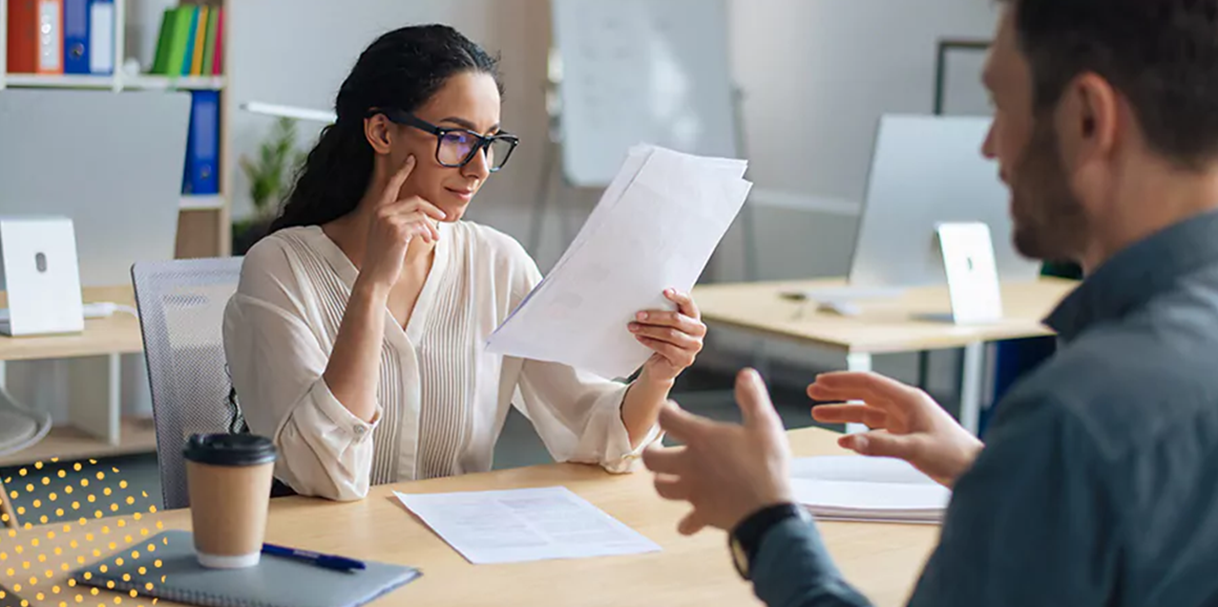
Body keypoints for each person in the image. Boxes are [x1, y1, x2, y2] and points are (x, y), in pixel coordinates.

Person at [643, 0, 1218, 604]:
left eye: (1000, 106)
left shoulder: (1075, 422)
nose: (990, 148)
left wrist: (764, 521)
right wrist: (994, 477)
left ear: (1086, 119)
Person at [223, 25, 706, 501]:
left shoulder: (497, 262)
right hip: (326, 560)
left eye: (489, 142)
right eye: (456, 138)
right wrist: (372, 286)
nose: (477, 169)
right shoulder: (280, 268)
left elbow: (595, 432)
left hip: (455, 554)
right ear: (381, 131)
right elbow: (324, 476)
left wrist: (659, 372)